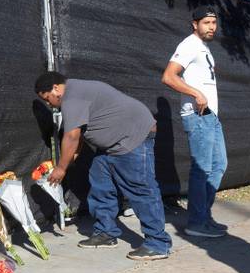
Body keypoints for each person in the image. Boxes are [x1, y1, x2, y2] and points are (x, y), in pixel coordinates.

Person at [35, 71, 172, 260]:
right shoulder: (76, 92)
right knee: (101, 185)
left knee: (141, 189)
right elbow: (80, 132)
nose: (49, 105)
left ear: (56, 88)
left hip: (132, 137)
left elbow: (72, 135)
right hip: (111, 144)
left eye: (47, 99)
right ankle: (106, 233)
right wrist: (72, 157)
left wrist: (61, 168)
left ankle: (158, 243)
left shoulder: (72, 97)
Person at [161, 7, 228, 238]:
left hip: (210, 116)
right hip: (197, 115)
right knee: (202, 170)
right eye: (206, 22)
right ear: (195, 24)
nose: (211, 27)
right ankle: (197, 222)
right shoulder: (189, 44)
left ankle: (203, 216)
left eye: (214, 23)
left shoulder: (204, 48)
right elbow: (168, 76)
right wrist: (196, 93)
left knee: (219, 165)